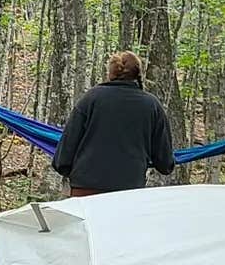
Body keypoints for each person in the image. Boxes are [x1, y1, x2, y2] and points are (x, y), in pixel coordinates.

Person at [51, 50, 175, 197]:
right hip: (128, 192)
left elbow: (65, 151)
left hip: (86, 189)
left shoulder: (91, 99)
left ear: (110, 73)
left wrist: (70, 172)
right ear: (138, 74)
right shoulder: (152, 105)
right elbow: (165, 163)